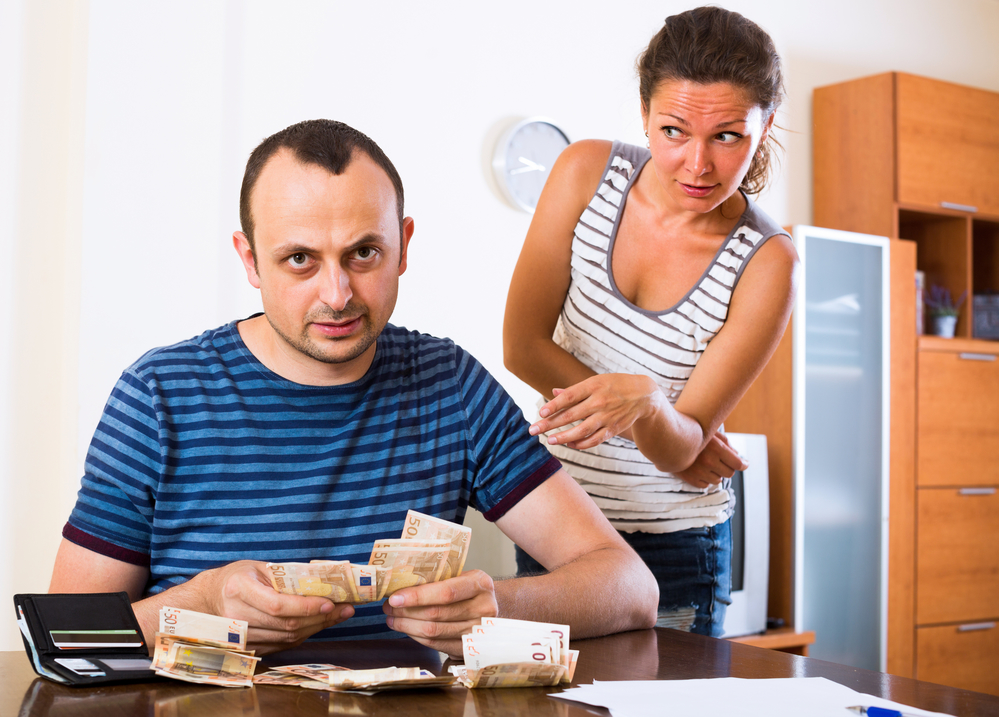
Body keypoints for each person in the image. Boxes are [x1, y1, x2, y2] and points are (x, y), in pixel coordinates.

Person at [49, 119, 659, 657]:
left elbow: (631, 589)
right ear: (249, 259)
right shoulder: (158, 397)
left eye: (364, 252)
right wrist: (201, 601)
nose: (337, 295)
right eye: (299, 260)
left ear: (403, 246)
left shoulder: (450, 384)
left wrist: (498, 604)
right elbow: (65, 640)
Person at [503, 7, 799, 636]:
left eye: (728, 136)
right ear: (643, 114)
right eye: (672, 131)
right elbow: (521, 344)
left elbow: (683, 446)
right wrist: (653, 417)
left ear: (765, 127)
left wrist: (651, 408)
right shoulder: (584, 172)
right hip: (558, 522)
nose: (697, 164)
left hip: (676, 546)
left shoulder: (767, 262)